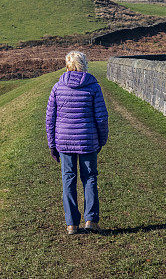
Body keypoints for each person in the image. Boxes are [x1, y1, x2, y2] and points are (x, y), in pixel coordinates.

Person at [46, 51, 109, 235]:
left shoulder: (58, 87)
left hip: (64, 141)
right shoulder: (93, 87)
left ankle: (71, 224)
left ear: (68, 65)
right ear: (84, 64)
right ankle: (91, 219)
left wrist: (52, 144)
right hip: (87, 141)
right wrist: (102, 139)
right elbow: (102, 117)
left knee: (68, 179)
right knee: (89, 178)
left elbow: (50, 118)